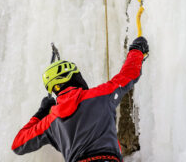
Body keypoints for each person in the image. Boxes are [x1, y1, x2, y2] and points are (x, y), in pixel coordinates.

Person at [11, 36, 149, 162]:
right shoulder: (100, 95)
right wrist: (137, 50)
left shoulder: (50, 121)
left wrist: (41, 112)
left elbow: (18, 144)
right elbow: (128, 74)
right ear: (74, 77)